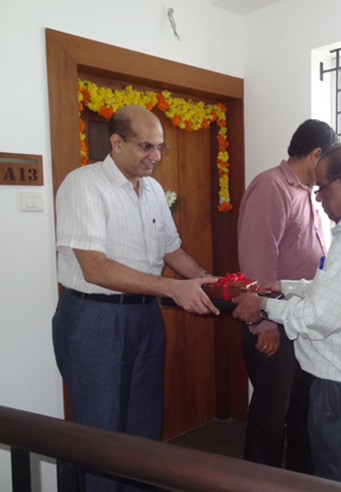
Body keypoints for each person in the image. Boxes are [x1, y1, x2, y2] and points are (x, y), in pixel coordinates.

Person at [52, 104, 218, 492]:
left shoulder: (155, 190)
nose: (155, 157)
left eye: (160, 148)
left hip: (145, 320)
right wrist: (172, 288)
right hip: (95, 320)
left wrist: (210, 282)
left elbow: (171, 250)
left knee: (143, 432)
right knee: (102, 437)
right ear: (116, 142)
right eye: (146, 146)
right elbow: (94, 268)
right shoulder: (84, 184)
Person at [233, 143, 341, 490]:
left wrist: (264, 307)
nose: (318, 200)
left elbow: (320, 316)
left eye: (321, 189)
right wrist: (289, 286)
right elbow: (335, 290)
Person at [237, 119, 338, 473]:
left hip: (300, 321)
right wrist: (261, 324)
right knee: (270, 415)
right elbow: (257, 259)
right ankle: (256, 482)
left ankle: (297, 482)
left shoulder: (305, 192)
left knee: (301, 411)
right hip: (272, 324)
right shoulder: (271, 186)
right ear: (316, 154)